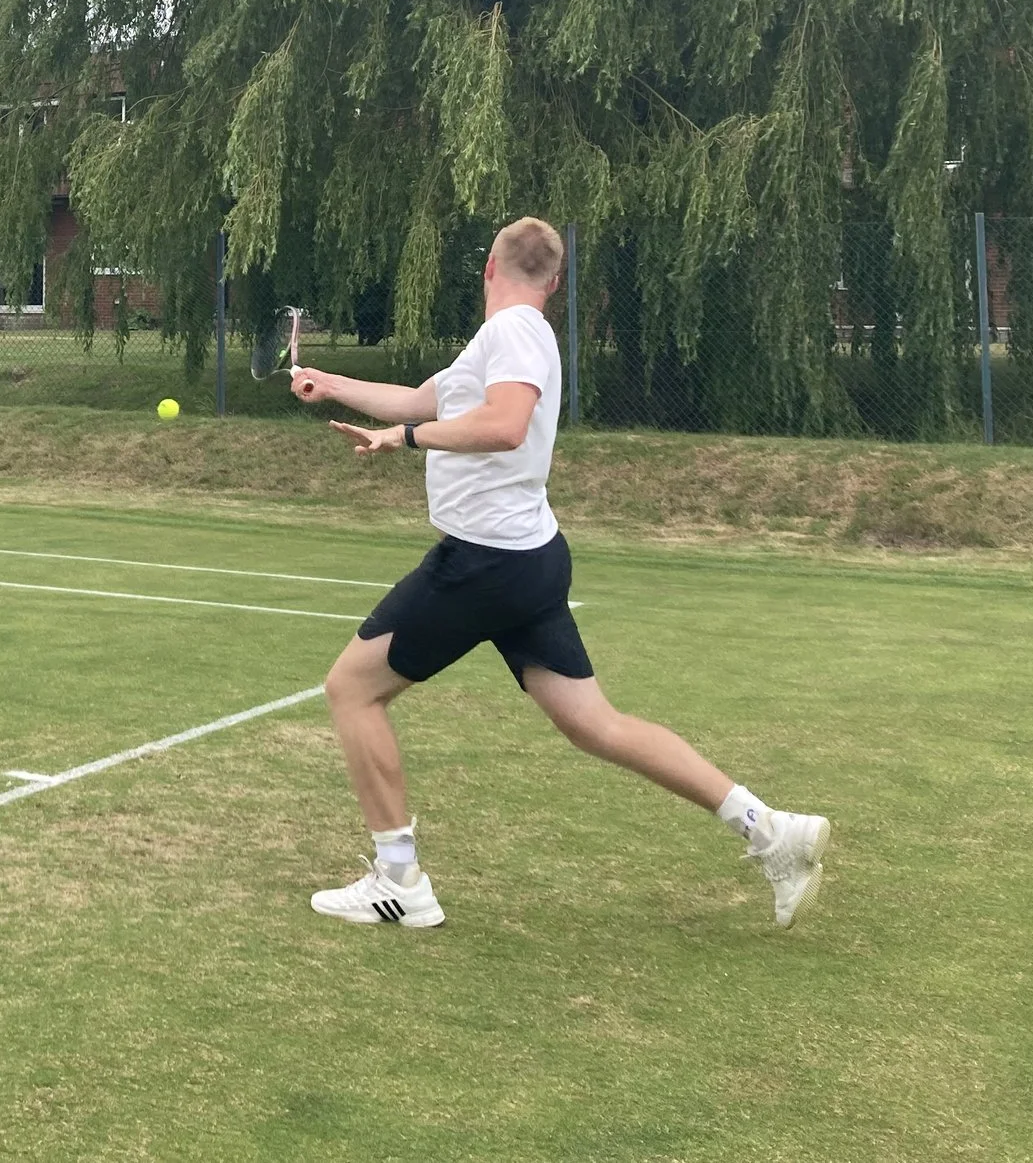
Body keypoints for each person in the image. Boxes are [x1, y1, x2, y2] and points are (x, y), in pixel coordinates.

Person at [290, 217, 829, 929]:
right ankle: (770, 830)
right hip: (529, 558)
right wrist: (331, 384)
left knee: (351, 690)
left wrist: (406, 439)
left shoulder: (514, 332)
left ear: (488, 267)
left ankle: (399, 880)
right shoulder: (509, 336)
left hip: (484, 560)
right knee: (596, 724)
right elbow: (424, 398)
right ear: (555, 280)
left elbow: (504, 424)